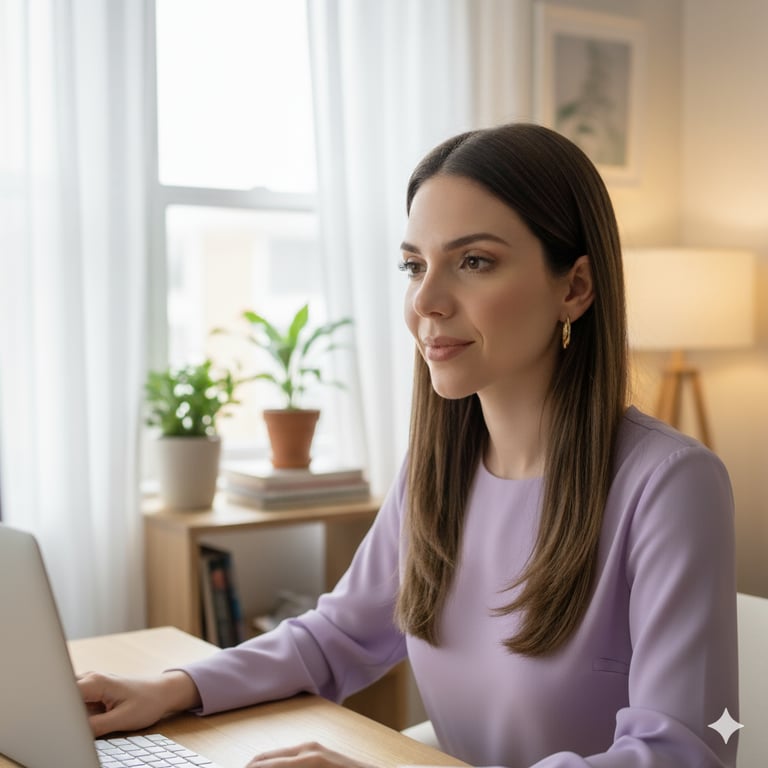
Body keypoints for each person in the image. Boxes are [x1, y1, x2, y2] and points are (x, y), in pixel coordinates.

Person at [78, 123, 738, 768]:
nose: (426, 300)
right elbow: (337, 637)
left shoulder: (670, 484)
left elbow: (681, 752)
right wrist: (170, 690)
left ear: (575, 287)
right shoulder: (440, 471)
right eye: (414, 265)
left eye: (474, 262)